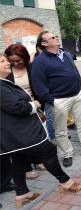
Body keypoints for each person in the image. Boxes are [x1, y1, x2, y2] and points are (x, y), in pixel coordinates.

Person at [0, 53, 81, 208]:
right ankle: (65, 182)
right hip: (21, 132)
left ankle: (22, 193)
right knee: (49, 151)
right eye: (2, 61)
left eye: (6, 59)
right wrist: (34, 105)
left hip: (15, 134)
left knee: (19, 159)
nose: (7, 62)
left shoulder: (4, 83)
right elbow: (17, 107)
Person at [31, 31, 81, 168]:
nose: (56, 38)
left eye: (56, 36)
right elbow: (38, 84)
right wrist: (51, 100)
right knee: (61, 130)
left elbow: (74, 70)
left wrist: (80, 86)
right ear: (44, 44)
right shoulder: (40, 61)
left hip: (77, 94)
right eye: (52, 38)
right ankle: (67, 154)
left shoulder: (65, 54)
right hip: (58, 100)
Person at [4, 44, 45, 179]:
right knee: (23, 141)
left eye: (18, 60)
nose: (15, 63)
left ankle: (38, 160)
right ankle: (26, 168)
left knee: (37, 136)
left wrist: (39, 106)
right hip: (18, 110)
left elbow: (39, 86)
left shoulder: (31, 67)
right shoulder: (6, 72)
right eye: (12, 61)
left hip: (35, 107)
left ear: (25, 57)